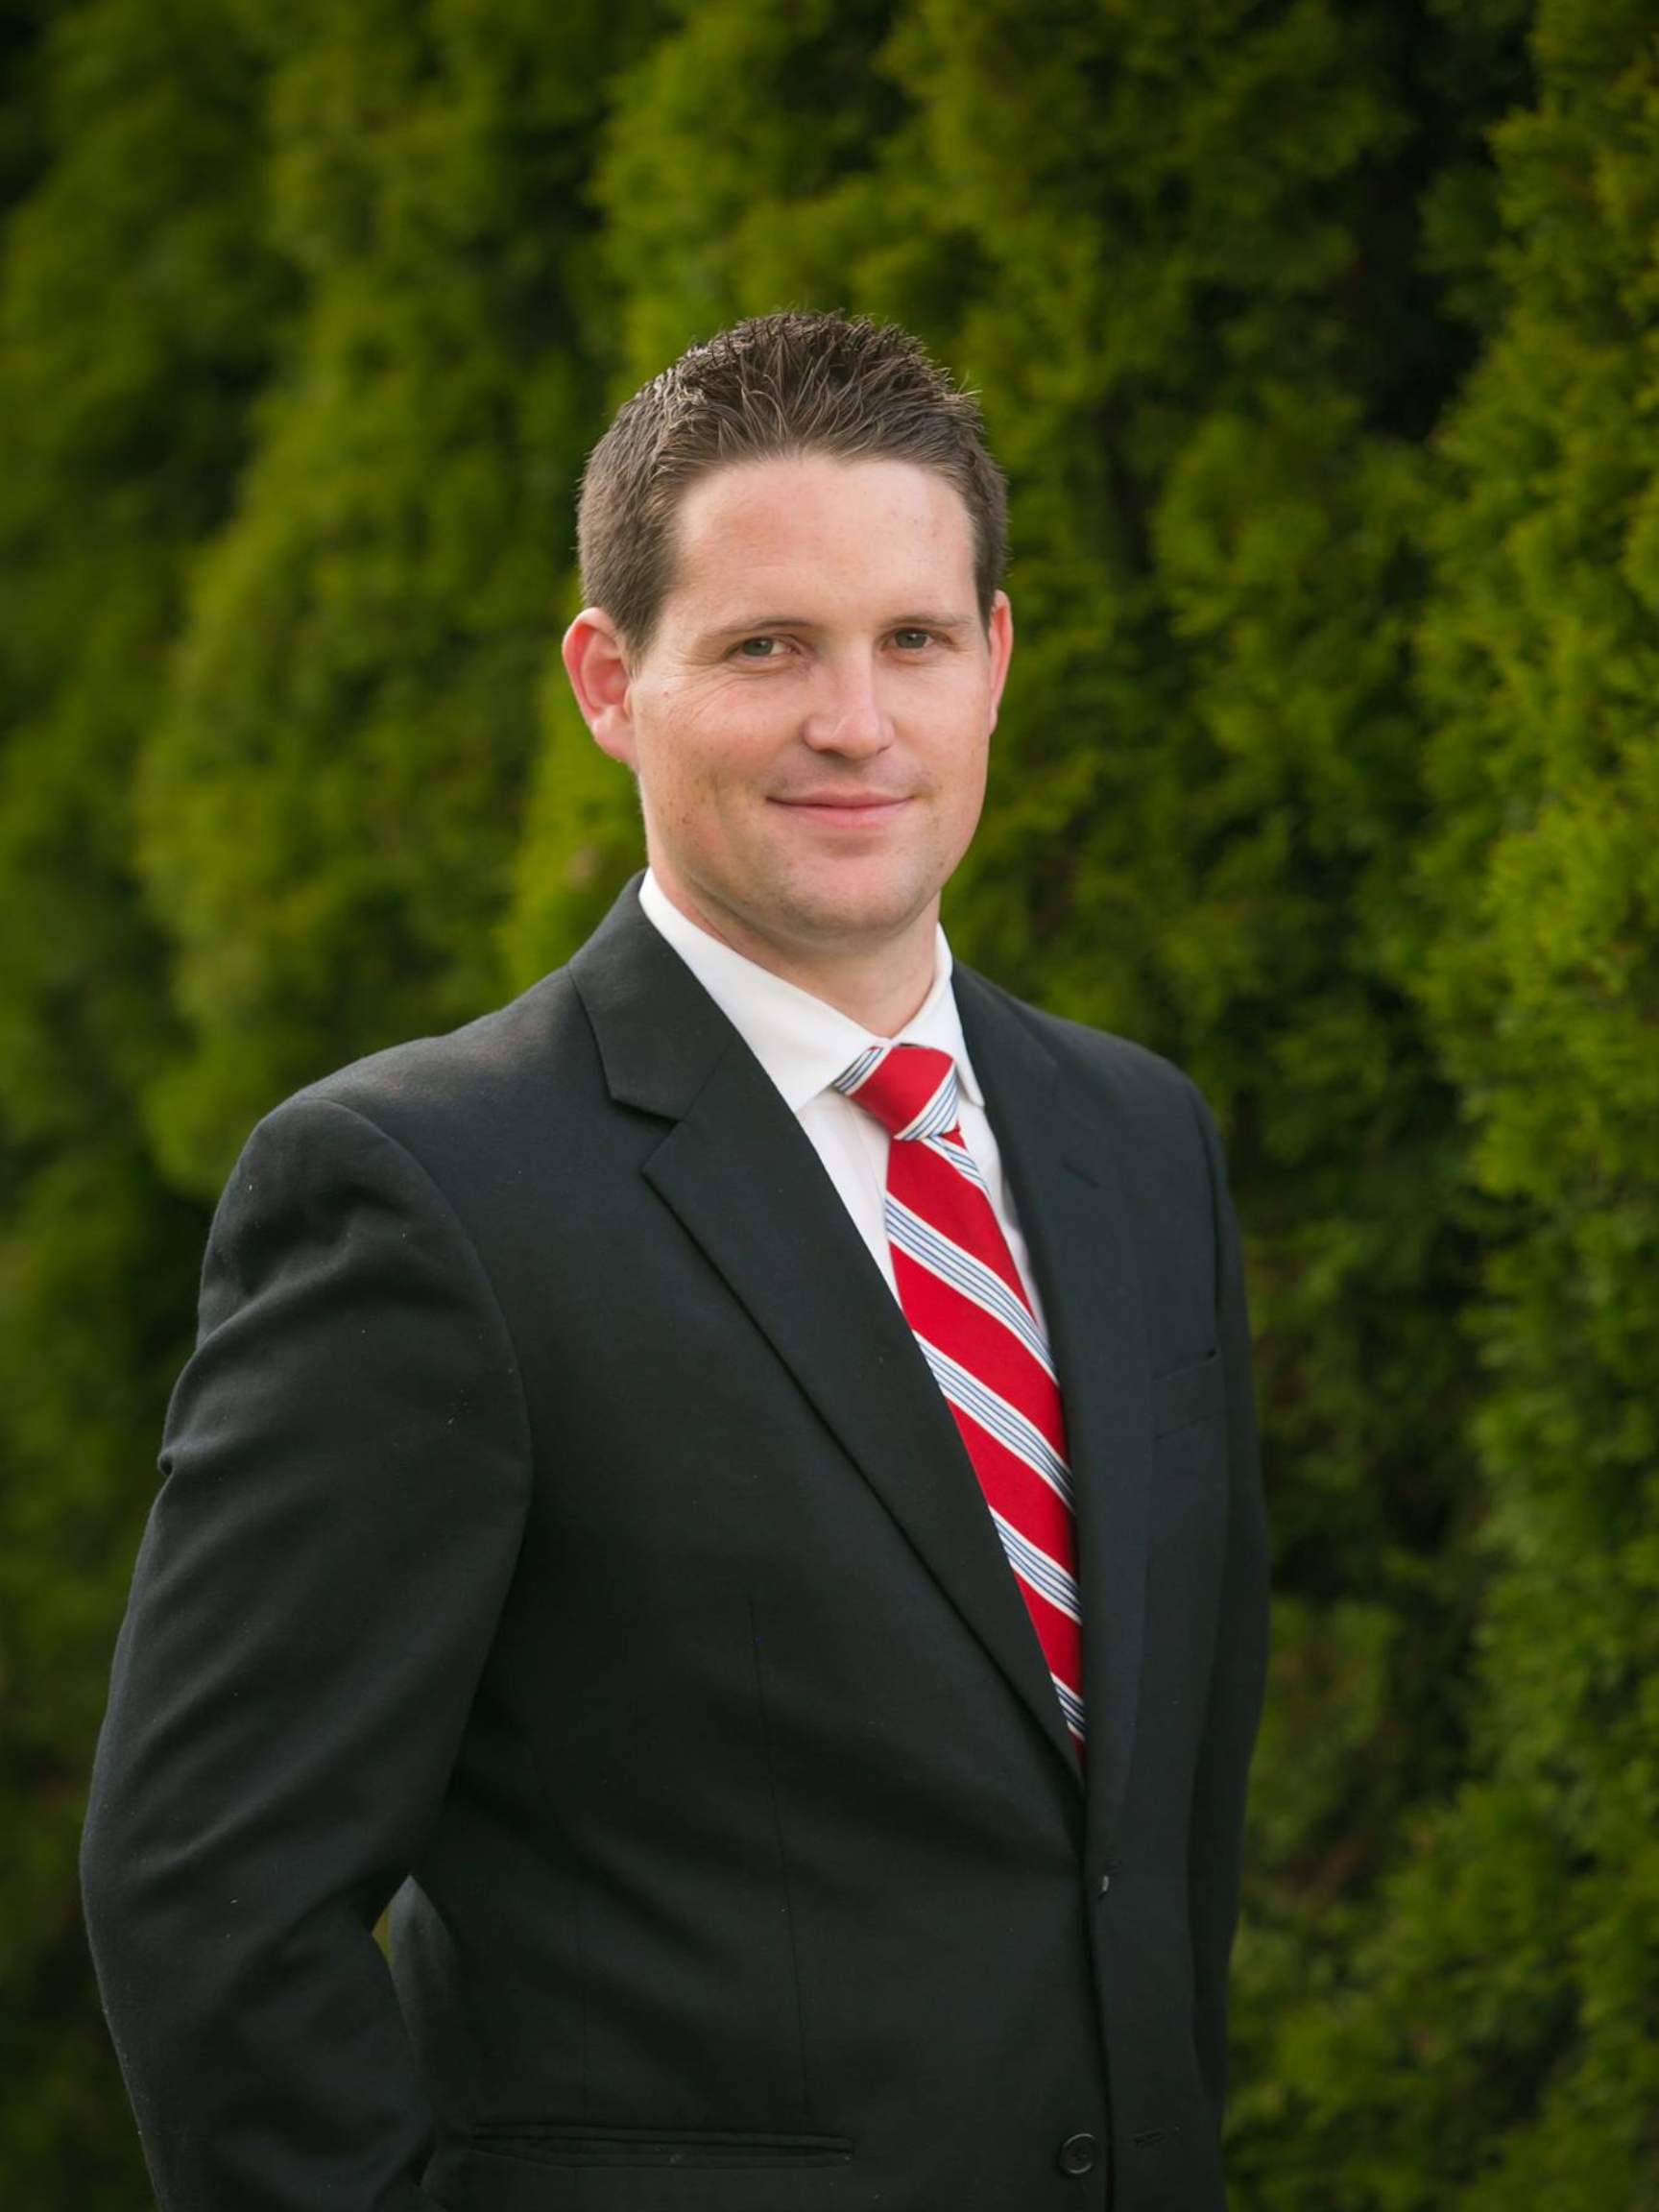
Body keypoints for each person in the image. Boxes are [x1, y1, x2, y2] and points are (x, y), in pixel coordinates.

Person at [81, 309, 1269, 2212]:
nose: (856, 722)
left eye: (914, 642)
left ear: (997, 665)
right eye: (768, 647)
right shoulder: (421, 1193)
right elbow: (210, 1900)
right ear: (609, 681)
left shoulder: (1138, 1142)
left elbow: (1158, 1824)